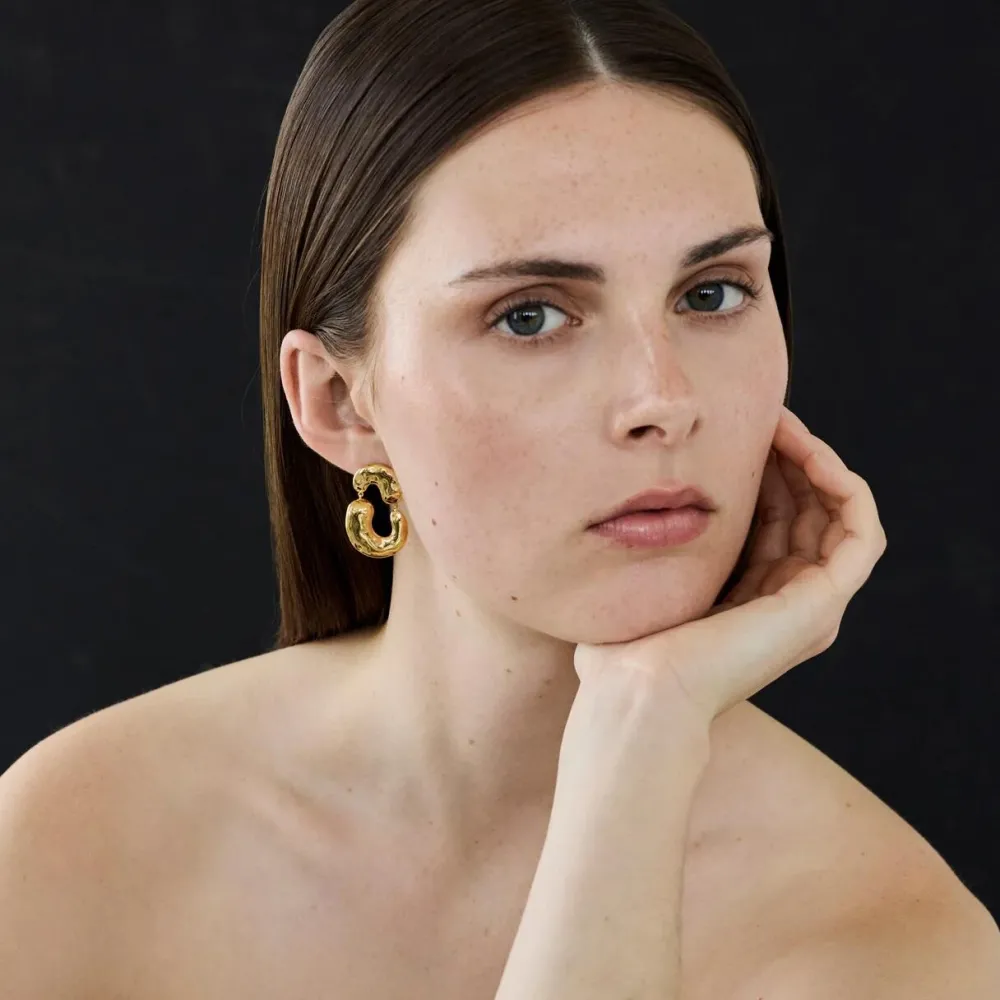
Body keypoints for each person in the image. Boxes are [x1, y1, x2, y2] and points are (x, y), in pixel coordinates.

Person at [2, 1, 997, 997]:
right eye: (529, 316)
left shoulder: (891, 945)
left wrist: (642, 731)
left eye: (712, 293)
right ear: (341, 403)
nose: (661, 398)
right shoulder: (70, 843)